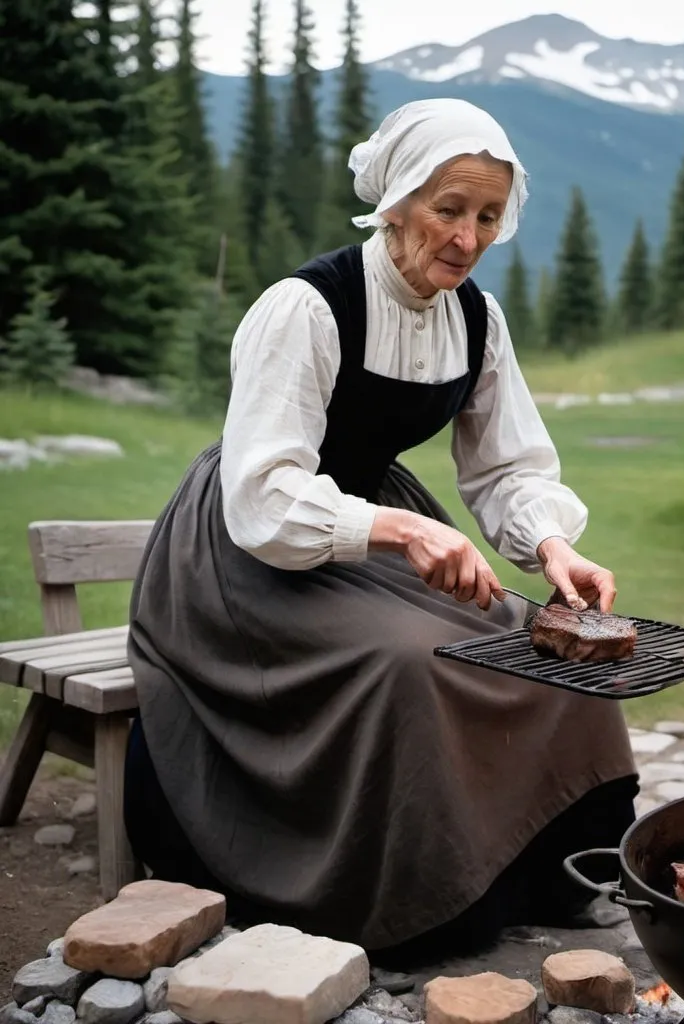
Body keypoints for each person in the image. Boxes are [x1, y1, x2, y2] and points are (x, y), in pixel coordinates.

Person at [123, 98, 638, 963]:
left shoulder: (476, 320)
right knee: (411, 661)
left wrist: (554, 545)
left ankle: (555, 869)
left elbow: (508, 468)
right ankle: (422, 898)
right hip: (251, 551)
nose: (466, 238)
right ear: (396, 202)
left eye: (485, 216)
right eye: (448, 210)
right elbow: (264, 492)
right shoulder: (306, 308)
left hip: (370, 531)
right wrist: (400, 530)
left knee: (528, 635)